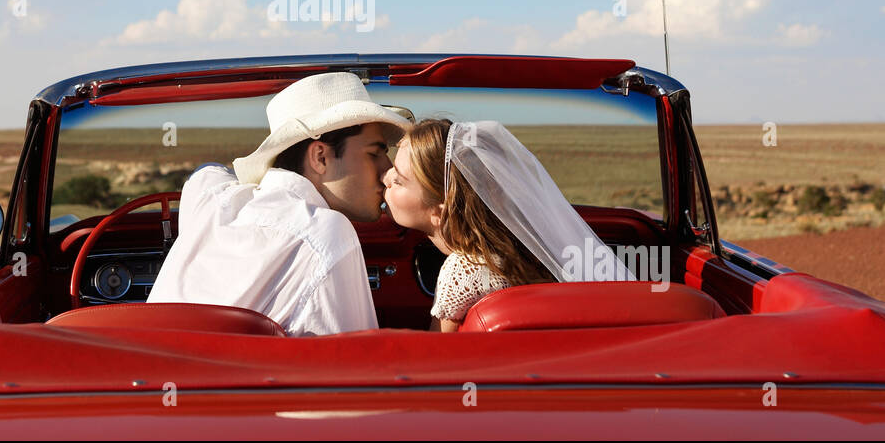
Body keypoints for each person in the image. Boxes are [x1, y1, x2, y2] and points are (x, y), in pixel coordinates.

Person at [147, 71, 410, 336]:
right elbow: (355, 365)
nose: (389, 171)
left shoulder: (215, 203)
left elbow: (205, 174)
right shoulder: (325, 232)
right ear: (320, 157)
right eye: (375, 153)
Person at [383, 118, 634, 331]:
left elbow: (434, 360)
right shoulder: (530, 250)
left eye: (399, 179)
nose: (385, 178)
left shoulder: (463, 269)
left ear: (441, 212)